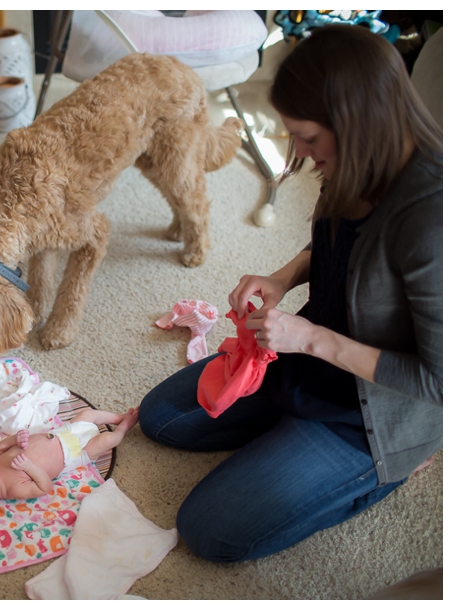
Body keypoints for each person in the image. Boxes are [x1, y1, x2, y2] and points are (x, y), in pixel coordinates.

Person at [138, 25, 442, 563]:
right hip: (303, 362)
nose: (297, 152)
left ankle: (386, 470)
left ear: (358, 125)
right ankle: (288, 434)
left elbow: (438, 379)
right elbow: (338, 249)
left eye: (307, 137)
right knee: (159, 417)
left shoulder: (430, 223)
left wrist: (313, 339)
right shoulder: (357, 160)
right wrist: (281, 278)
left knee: (208, 529)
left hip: (371, 412)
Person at [0, 408, 138, 521]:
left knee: (87, 414)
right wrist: (29, 468)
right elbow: (45, 487)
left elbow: (2, 445)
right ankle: (123, 427)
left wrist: (17, 439)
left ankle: (116, 417)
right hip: (75, 452)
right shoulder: (14, 489)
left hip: (63, 432)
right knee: (107, 441)